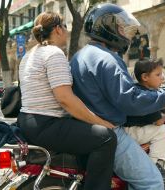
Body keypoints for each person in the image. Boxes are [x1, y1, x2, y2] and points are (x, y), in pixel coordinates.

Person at [70, 3, 165, 190]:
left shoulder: (80, 56)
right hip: (111, 131)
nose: (124, 33)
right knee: (152, 182)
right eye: (120, 28)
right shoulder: (107, 59)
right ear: (107, 28)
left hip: (88, 130)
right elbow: (130, 99)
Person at [17, 11, 117, 190]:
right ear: (57, 29)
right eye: (65, 27)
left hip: (29, 121)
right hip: (47, 123)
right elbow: (65, 99)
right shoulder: (54, 53)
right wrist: (101, 122)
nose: (67, 31)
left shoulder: (30, 54)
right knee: (106, 138)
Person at [124, 58, 165, 179]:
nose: (162, 77)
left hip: (128, 130)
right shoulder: (148, 95)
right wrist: (164, 117)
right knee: (164, 131)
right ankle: (156, 165)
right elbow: (158, 122)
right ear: (145, 77)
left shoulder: (138, 90)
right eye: (158, 74)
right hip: (131, 131)